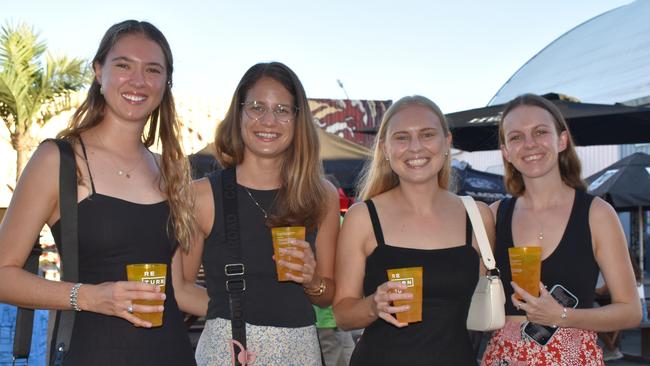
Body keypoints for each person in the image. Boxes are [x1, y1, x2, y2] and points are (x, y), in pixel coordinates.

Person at [0, 20, 206, 365]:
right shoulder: (59, 160)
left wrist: (257, 315)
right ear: (99, 70)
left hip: (172, 354)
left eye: (152, 70)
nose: (138, 81)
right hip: (92, 354)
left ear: (166, 82)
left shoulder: (171, 170)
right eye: (123, 65)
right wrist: (90, 297)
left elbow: (179, 289)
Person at [182, 62, 340, 366]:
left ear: (297, 119)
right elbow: (180, 287)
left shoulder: (322, 196)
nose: (268, 120)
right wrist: (235, 312)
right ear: (238, 113)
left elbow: (327, 295)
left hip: (299, 353)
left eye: (282, 110)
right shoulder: (201, 195)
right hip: (227, 352)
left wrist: (312, 280)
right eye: (256, 107)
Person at [333, 95, 495, 366]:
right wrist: (373, 305)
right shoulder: (362, 217)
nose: (415, 147)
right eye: (402, 137)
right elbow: (343, 314)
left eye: (427, 134)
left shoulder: (478, 217)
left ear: (447, 143)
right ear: (385, 148)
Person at [481, 94, 641, 365]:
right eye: (516, 137)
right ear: (506, 151)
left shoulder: (597, 214)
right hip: (505, 358)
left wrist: (563, 316)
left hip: (573, 357)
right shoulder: (494, 215)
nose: (529, 144)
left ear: (562, 140)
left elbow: (630, 311)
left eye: (540, 132)